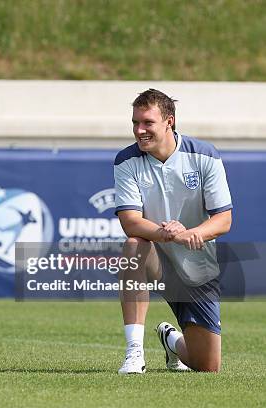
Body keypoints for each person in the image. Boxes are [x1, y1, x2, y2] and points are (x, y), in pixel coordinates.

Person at [114, 88, 232, 374]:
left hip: (196, 268)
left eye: (147, 123)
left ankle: (171, 341)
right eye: (135, 123)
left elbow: (223, 220)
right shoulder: (126, 161)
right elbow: (131, 222)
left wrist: (194, 233)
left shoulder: (205, 155)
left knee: (207, 367)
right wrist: (171, 234)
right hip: (156, 257)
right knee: (133, 245)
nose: (139, 130)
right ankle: (134, 354)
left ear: (170, 121)